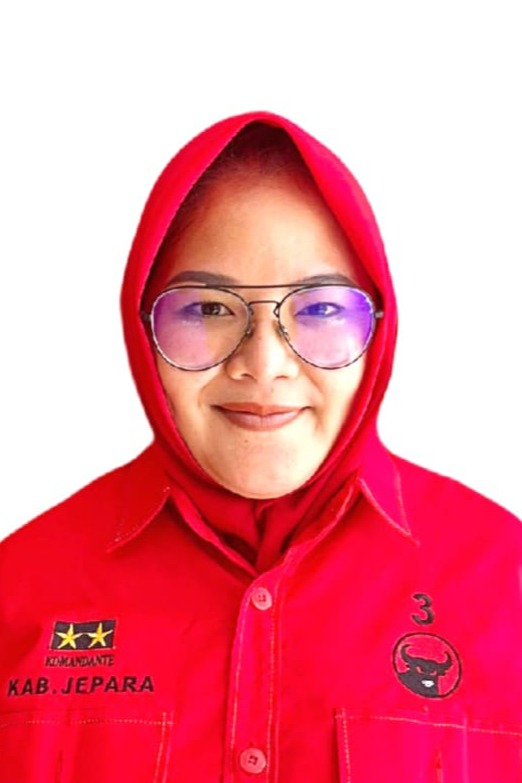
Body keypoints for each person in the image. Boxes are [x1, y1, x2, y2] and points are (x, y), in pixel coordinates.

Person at [1, 111, 521, 782]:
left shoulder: (505, 581)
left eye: (321, 308)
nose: (265, 365)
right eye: (208, 309)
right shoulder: (20, 587)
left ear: (380, 328)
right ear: (141, 326)